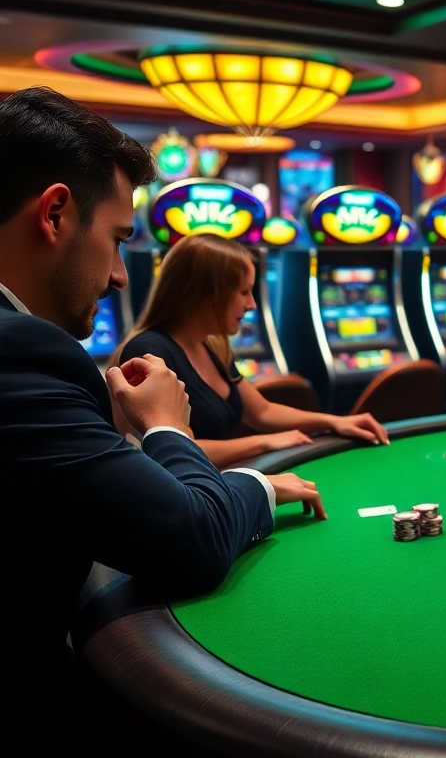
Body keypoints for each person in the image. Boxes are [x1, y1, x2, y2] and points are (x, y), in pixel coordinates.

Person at [0, 86, 325, 747]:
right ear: (56, 214)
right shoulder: (24, 356)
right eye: (119, 240)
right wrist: (168, 429)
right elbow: (192, 540)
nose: (122, 276)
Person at [114, 234, 389, 467]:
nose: (252, 305)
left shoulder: (211, 344)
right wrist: (262, 442)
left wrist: (334, 421)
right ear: (207, 295)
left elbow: (262, 411)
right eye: (244, 292)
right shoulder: (147, 354)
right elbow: (169, 450)